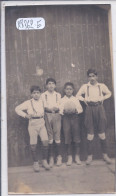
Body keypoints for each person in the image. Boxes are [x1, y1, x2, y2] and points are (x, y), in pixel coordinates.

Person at [76, 68, 112, 165]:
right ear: (88, 77)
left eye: (93, 76)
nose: (92, 78)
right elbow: (77, 96)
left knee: (102, 133)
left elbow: (109, 93)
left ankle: (105, 155)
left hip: (99, 108)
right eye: (90, 76)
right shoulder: (85, 86)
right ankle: (89, 156)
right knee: (90, 134)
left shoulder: (102, 86)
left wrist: (103, 97)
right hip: (89, 109)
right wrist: (84, 100)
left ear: (97, 76)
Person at [15, 86, 50, 172]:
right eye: (34, 93)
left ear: (40, 94)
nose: (36, 94)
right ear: (31, 94)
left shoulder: (43, 101)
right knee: (33, 144)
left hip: (42, 123)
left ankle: (44, 161)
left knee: (45, 141)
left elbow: (49, 107)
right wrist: (25, 115)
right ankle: (35, 162)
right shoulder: (28, 102)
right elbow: (17, 109)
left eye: (38, 92)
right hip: (32, 124)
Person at [60, 82, 83, 166]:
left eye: (70, 89)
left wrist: (75, 110)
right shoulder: (62, 99)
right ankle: (69, 157)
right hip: (66, 118)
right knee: (67, 137)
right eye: (67, 89)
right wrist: (64, 111)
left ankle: (77, 156)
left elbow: (80, 109)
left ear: (73, 90)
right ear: (64, 90)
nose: (68, 91)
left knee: (76, 137)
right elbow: (60, 110)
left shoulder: (75, 99)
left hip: (75, 118)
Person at [41, 78, 62, 167]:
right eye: (49, 83)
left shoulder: (58, 95)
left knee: (57, 135)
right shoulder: (43, 95)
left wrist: (56, 108)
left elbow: (59, 105)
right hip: (47, 115)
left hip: (56, 115)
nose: (51, 85)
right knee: (50, 136)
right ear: (46, 85)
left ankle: (59, 157)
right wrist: (49, 109)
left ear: (55, 85)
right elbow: (44, 106)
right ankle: (51, 158)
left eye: (53, 83)